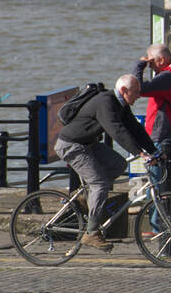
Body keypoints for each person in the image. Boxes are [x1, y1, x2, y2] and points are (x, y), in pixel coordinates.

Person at [54, 75, 158, 251]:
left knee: (118, 164)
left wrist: (154, 151)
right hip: (71, 146)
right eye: (136, 92)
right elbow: (116, 131)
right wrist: (139, 153)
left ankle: (86, 197)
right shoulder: (106, 102)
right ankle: (92, 232)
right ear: (124, 91)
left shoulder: (121, 104)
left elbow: (134, 128)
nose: (139, 96)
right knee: (100, 184)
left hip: (88, 144)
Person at [132, 44, 171, 232]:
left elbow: (137, 88)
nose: (150, 66)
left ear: (160, 60)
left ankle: (159, 229)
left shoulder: (167, 76)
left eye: (151, 62)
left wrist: (138, 66)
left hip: (165, 138)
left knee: (158, 186)